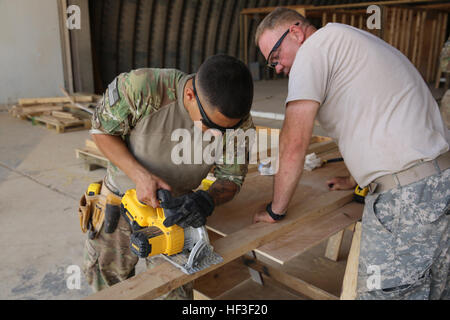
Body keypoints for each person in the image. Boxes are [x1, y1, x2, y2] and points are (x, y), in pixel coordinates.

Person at [253, 7, 449, 300]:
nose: (277, 67)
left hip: (406, 201)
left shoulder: (313, 50)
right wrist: (355, 177)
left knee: (382, 294)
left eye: (275, 57)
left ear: (295, 32)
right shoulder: (349, 39)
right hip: (438, 183)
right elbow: (375, 115)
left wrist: (275, 210)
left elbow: (294, 141)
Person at [81, 54, 255, 299]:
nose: (218, 135)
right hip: (121, 201)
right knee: (108, 283)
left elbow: (232, 179)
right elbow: (101, 131)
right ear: (190, 95)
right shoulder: (144, 88)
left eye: (227, 129)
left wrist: (205, 200)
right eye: (210, 124)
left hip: (176, 212)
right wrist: (140, 176)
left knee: (175, 291)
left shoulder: (242, 124)